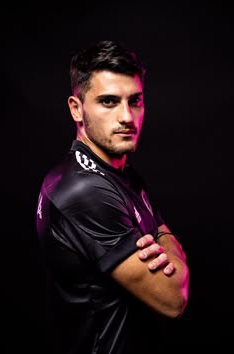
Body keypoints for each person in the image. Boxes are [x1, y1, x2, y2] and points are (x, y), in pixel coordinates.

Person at [36, 39, 190, 354]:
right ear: (76, 109)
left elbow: (161, 232)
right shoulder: (83, 190)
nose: (127, 118)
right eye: (108, 102)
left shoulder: (124, 174)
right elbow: (174, 297)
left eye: (134, 101)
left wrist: (161, 237)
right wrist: (165, 239)